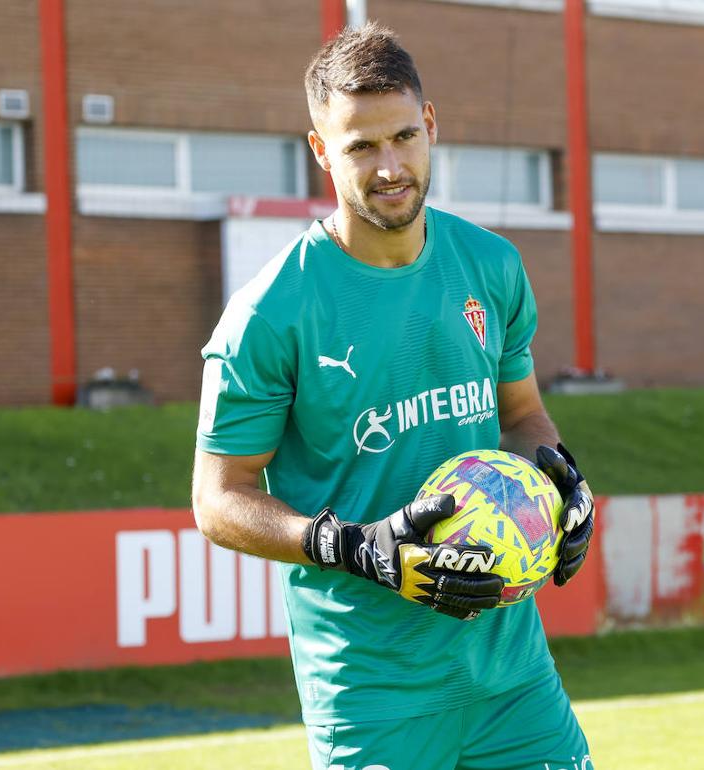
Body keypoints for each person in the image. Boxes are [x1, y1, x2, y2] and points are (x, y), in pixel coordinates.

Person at [191, 21, 596, 770]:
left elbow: (522, 415)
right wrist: (348, 544)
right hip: (372, 690)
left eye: (404, 137)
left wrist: (558, 479)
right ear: (320, 151)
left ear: (431, 126)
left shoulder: (491, 265)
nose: (389, 166)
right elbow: (218, 499)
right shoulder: (269, 313)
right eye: (361, 146)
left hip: (512, 677)